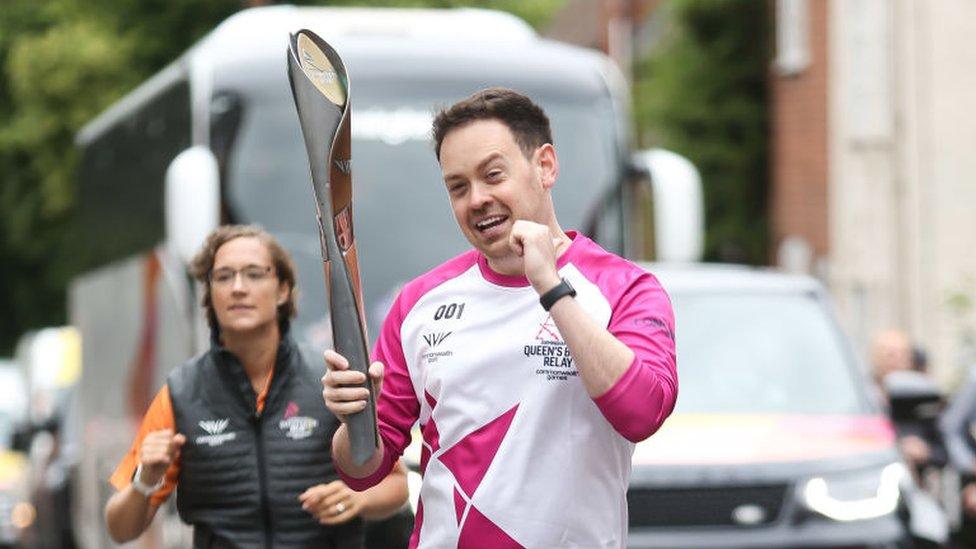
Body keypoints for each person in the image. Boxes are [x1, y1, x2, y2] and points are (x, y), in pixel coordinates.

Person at [322, 88, 678, 547]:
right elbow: (363, 472)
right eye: (458, 187)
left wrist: (551, 288)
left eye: (493, 175)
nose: (477, 199)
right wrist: (354, 420)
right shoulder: (420, 304)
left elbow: (642, 413)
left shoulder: (626, 289)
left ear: (545, 166)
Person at [104, 225, 408, 548]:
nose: (238, 288)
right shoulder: (181, 393)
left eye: (254, 274)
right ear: (209, 294)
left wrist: (356, 499)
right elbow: (119, 528)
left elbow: (396, 483)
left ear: (282, 290)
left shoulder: (331, 380)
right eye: (223, 276)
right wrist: (146, 480)